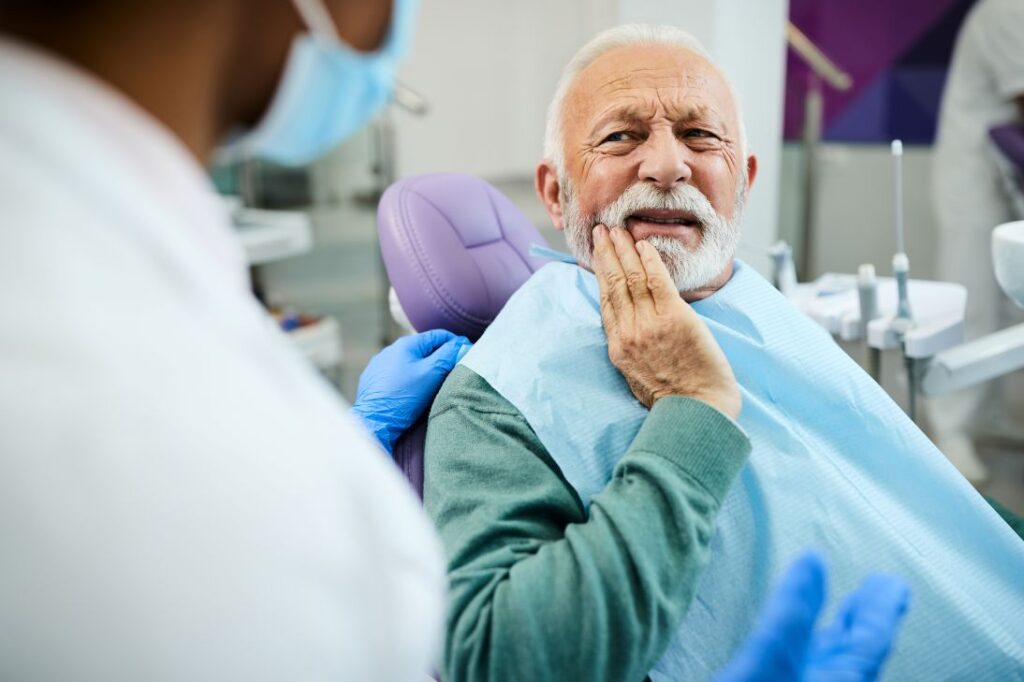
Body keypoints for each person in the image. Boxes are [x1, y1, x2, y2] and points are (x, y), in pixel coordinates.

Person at [424, 24, 1024, 682]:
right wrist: (691, 412)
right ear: (554, 189)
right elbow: (491, 659)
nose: (666, 166)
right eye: (621, 136)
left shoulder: (751, 302)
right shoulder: (502, 395)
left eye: (700, 135)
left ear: (745, 182)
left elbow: (917, 497)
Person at [929, 0, 1024, 482]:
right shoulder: (1007, 10)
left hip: (1011, 177)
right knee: (973, 302)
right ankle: (950, 431)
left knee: (1012, 308)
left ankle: (998, 418)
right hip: (976, 181)